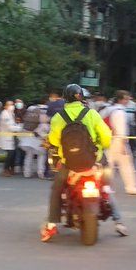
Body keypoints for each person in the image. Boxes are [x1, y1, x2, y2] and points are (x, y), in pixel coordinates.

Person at [41, 84, 113, 243]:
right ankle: (111, 206)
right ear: (82, 98)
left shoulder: (59, 117)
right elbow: (107, 137)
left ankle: (52, 224)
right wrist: (100, 145)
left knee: (56, 189)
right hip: (93, 161)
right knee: (106, 181)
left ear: (64, 98)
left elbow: (53, 140)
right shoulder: (92, 114)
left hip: (69, 164)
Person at [101, 90, 136, 195]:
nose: (128, 100)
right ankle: (131, 187)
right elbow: (121, 130)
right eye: (126, 98)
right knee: (126, 165)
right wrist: (123, 144)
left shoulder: (107, 109)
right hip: (118, 140)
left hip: (107, 139)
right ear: (121, 99)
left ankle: (105, 186)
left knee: (108, 164)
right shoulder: (120, 111)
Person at [20, 97, 49, 179]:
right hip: (38, 139)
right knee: (41, 156)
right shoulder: (44, 109)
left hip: (27, 138)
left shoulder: (30, 109)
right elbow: (44, 123)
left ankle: (27, 173)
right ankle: (40, 173)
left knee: (28, 155)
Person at [0, 100, 21, 177]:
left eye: (12, 104)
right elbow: (9, 127)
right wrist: (19, 128)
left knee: (13, 153)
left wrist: (17, 127)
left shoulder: (11, 113)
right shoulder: (4, 114)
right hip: (6, 137)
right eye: (9, 104)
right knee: (10, 154)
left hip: (12, 136)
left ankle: (11, 168)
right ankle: (5, 169)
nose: (11, 106)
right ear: (5, 106)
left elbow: (13, 125)